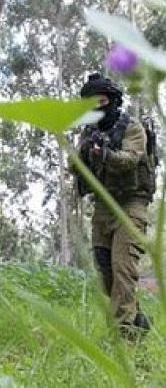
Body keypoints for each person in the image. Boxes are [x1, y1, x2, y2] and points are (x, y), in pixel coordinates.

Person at [77, 73, 154, 338]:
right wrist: (84, 154)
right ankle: (138, 320)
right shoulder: (88, 133)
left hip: (132, 204)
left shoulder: (132, 128)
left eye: (102, 101)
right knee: (105, 274)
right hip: (103, 205)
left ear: (113, 100)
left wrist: (105, 154)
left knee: (123, 269)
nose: (97, 107)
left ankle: (123, 337)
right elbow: (76, 166)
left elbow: (131, 159)